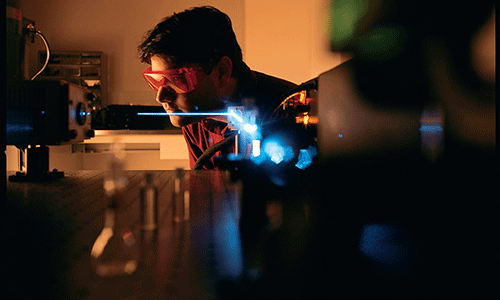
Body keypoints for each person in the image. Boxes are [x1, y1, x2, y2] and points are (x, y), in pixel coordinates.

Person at [138, 6, 297, 169]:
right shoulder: (194, 117)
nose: (161, 96)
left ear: (221, 72)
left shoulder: (290, 111)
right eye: (156, 81)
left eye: (177, 79)